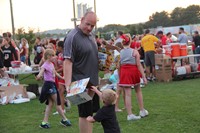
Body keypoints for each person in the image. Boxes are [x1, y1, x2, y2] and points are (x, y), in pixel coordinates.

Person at [63, 11, 99, 133]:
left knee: (90, 115)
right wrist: (68, 85)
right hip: (79, 83)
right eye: (87, 24)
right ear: (82, 19)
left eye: (92, 26)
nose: (89, 28)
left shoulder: (91, 35)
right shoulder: (72, 37)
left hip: (92, 83)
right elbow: (67, 61)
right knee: (84, 115)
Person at [36, 49, 71, 129]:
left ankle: (44, 122)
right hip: (48, 86)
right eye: (52, 55)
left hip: (52, 84)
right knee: (57, 103)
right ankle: (64, 119)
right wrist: (39, 76)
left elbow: (55, 72)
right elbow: (40, 73)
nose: (54, 57)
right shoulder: (45, 65)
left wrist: (62, 77)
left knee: (50, 104)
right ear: (48, 56)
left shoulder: (51, 64)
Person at [119, 35, 148, 121]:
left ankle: (130, 114)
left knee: (127, 94)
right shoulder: (135, 52)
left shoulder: (120, 52)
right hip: (133, 71)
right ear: (130, 41)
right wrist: (144, 76)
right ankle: (142, 110)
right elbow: (139, 65)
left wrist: (120, 76)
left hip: (124, 72)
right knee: (138, 91)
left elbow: (119, 65)